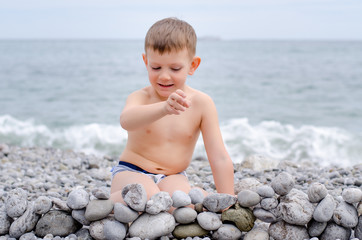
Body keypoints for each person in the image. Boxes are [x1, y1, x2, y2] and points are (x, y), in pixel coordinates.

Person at [110, 17, 234, 204]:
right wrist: (164, 108)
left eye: (175, 68)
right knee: (147, 195)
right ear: (145, 61)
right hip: (131, 171)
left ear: (192, 65)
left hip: (173, 176)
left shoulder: (202, 103)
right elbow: (126, 120)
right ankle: (101, 205)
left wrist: (228, 200)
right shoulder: (141, 97)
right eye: (156, 67)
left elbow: (219, 157)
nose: (164, 76)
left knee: (185, 205)